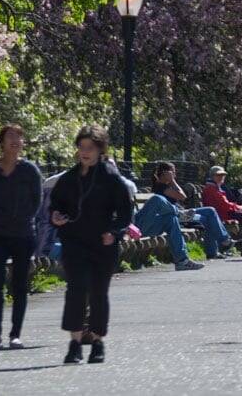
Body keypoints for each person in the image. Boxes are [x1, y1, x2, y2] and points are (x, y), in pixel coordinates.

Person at [49, 125, 135, 364]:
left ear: (100, 150)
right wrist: (55, 216)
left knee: (98, 292)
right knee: (75, 291)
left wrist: (115, 233)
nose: (85, 152)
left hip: (102, 245)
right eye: (81, 147)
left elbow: (126, 214)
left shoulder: (111, 179)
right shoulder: (68, 179)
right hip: (75, 242)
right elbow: (55, 206)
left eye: (90, 148)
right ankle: (74, 344)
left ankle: (97, 342)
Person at [0, 123, 43, 348]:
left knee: (19, 285)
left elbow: (38, 201)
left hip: (24, 234)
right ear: (1, 142)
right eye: (10, 136)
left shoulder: (30, 170)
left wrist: (24, 219)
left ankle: (15, 334)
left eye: (19, 136)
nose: (15, 140)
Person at [153, 163, 232, 259]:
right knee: (207, 217)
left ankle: (222, 243)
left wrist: (172, 180)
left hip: (182, 213)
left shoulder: (165, 185)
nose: (175, 175)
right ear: (165, 173)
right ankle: (220, 245)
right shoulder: (160, 187)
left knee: (210, 212)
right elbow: (182, 196)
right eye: (173, 172)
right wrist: (173, 181)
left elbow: (182, 196)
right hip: (176, 216)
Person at [133, 182, 206, 272]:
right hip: (132, 227)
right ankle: (180, 214)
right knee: (156, 199)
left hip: (138, 224)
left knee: (171, 218)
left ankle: (182, 261)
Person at [202, 166, 242, 256]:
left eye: (223, 175)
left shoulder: (215, 187)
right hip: (221, 213)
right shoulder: (211, 188)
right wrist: (241, 207)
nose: (221, 177)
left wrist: (240, 207)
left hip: (224, 212)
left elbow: (225, 204)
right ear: (212, 176)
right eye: (218, 175)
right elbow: (224, 205)